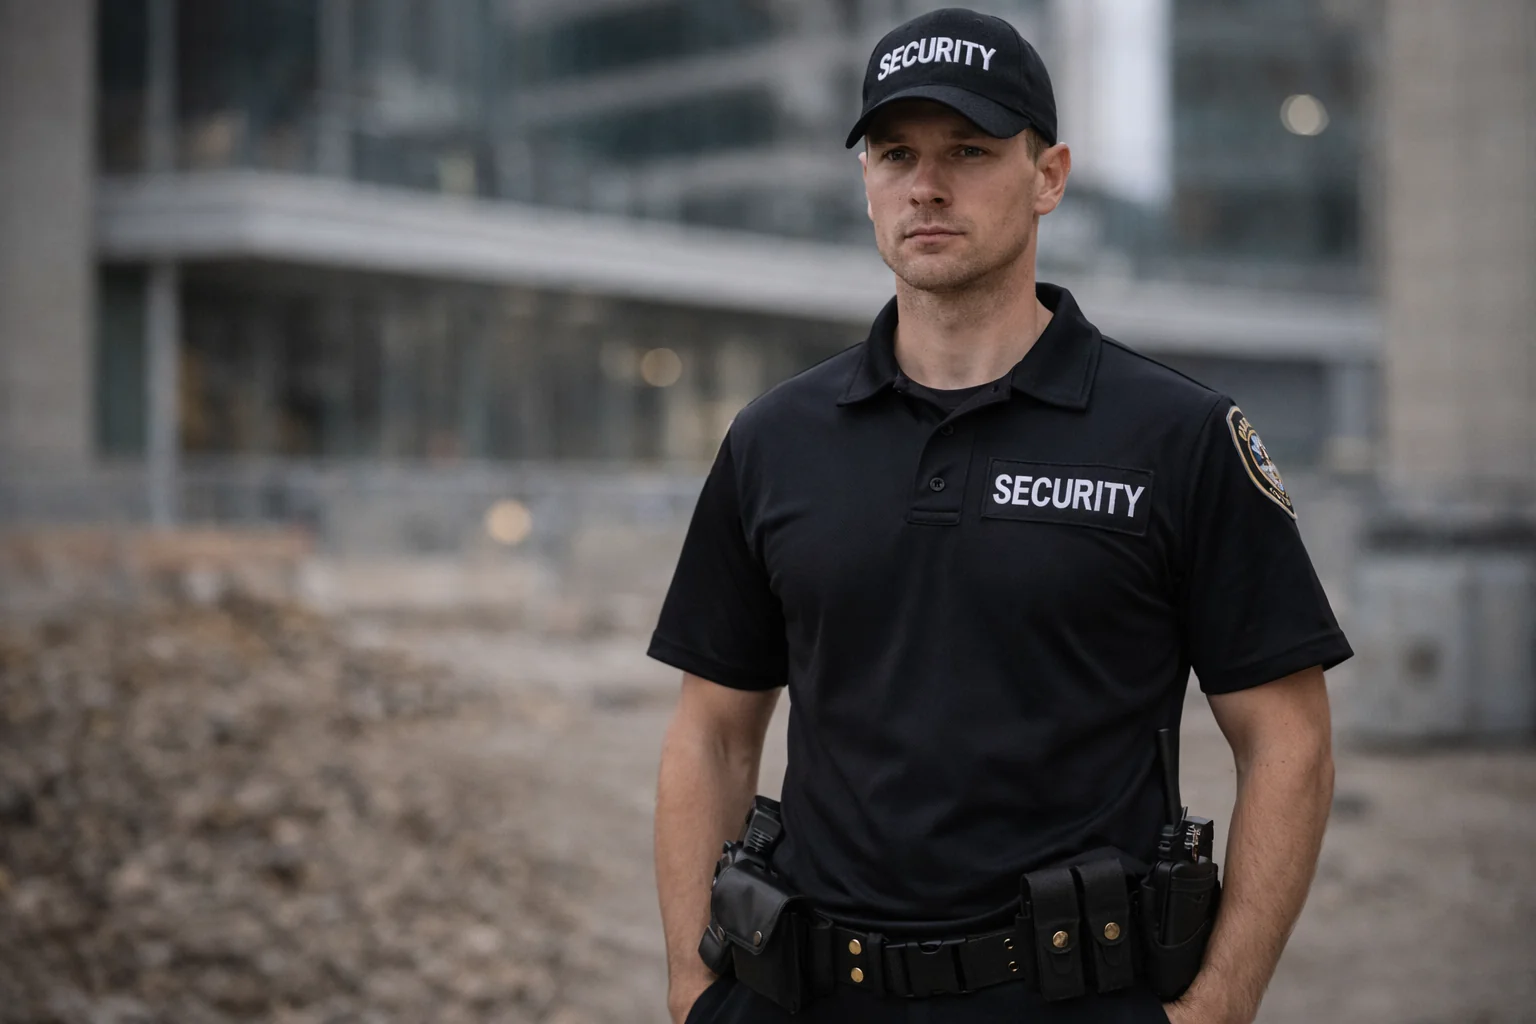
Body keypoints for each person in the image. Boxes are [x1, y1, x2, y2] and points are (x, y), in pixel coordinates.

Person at [649, 8, 1350, 1023]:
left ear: (1049, 175)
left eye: (969, 151)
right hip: (808, 995)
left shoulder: (1178, 436)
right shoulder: (775, 440)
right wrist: (692, 988)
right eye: (897, 154)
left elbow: (1290, 740)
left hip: (1072, 995)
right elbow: (710, 732)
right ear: (867, 182)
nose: (926, 185)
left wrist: (1220, 1003)